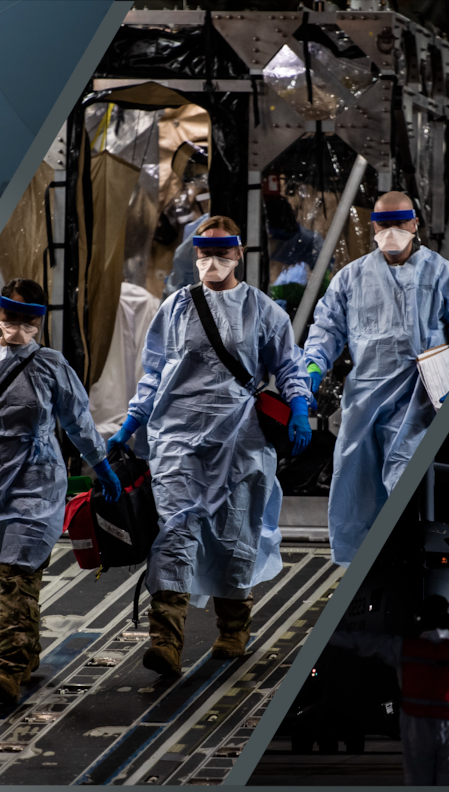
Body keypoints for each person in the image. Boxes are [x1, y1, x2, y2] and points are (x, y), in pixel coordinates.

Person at [110, 216, 312, 676]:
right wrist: (133, 420)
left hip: (240, 439)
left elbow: (288, 366)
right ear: (194, 255)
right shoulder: (177, 308)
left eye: (223, 253)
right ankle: (166, 639)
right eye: (205, 252)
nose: (213, 261)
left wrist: (299, 406)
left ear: (239, 254)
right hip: (177, 435)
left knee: (233, 534)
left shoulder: (262, 310)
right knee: (175, 529)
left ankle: (233, 628)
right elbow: (154, 371)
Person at [0, 279, 121, 706]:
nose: (16, 325)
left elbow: (78, 422)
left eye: (26, 318)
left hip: (35, 484)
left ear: (39, 319)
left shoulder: (51, 366)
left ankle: (8, 667)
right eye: (9, 315)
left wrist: (102, 465)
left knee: (18, 575)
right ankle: (25, 649)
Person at [305, 191, 449, 565]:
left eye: (399, 224)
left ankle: (416, 567)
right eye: (383, 225)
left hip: (419, 404)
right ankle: (362, 576)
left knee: (409, 485)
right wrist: (309, 371)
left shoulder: (440, 274)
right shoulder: (351, 279)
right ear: (373, 228)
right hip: (363, 404)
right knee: (355, 489)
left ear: (414, 224)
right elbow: (325, 331)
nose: (391, 232)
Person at [326, 596, 449, 786]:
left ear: (418, 620)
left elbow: (360, 641)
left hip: (417, 728)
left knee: (419, 784)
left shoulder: (403, 648)